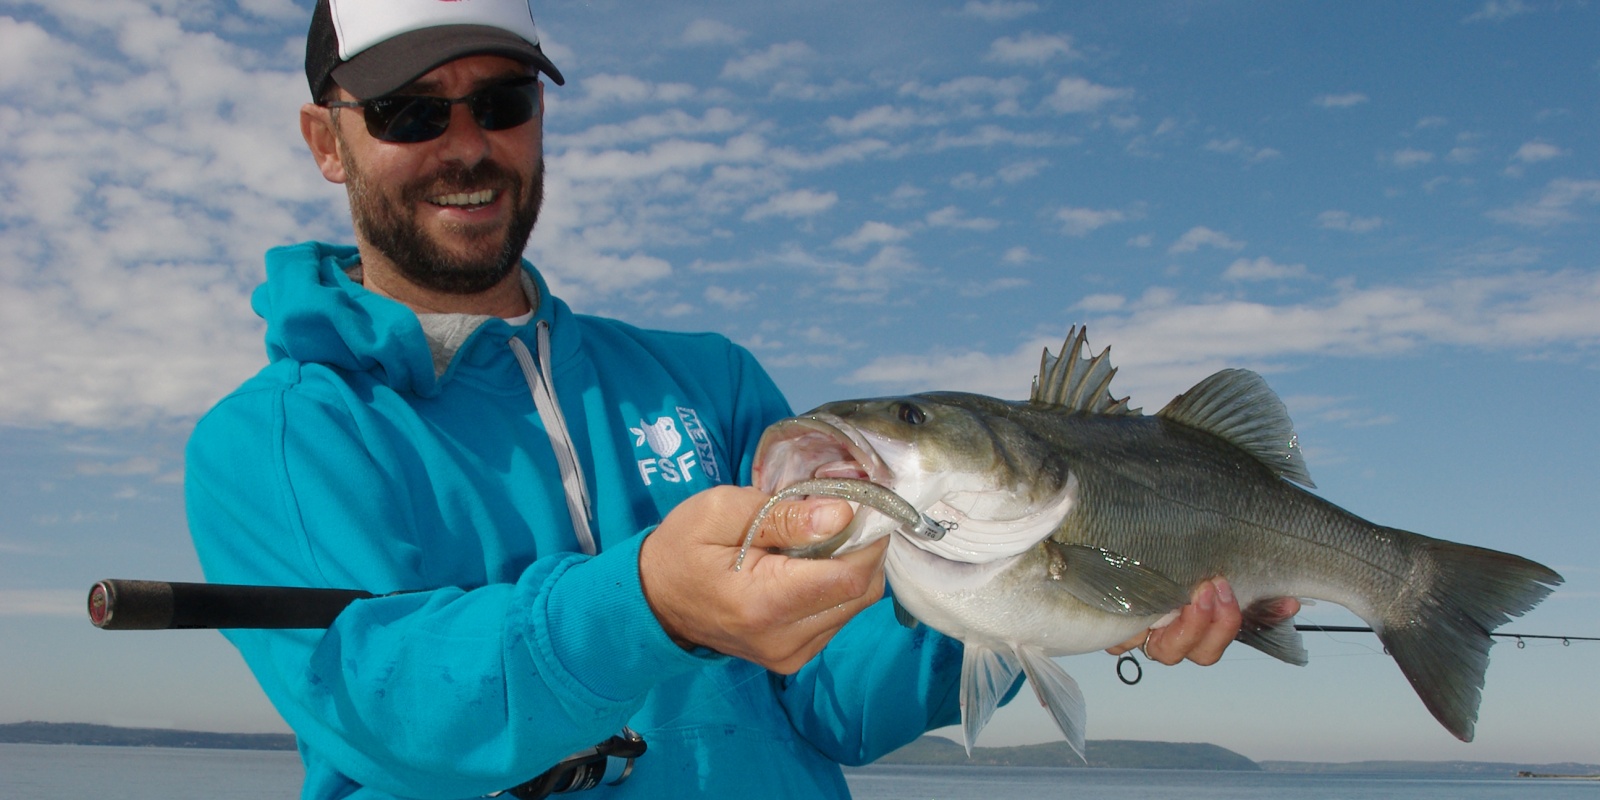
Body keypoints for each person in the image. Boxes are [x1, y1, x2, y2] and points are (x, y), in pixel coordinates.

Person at [186, 1, 1286, 797]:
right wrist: (649, 604)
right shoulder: (273, 439)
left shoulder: (706, 379)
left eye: (503, 100)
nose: (466, 145)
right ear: (326, 139)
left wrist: (1029, 602)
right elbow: (387, 709)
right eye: (408, 112)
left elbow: (829, 700)